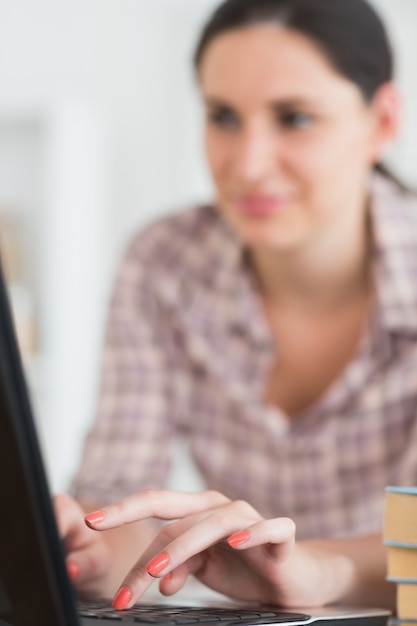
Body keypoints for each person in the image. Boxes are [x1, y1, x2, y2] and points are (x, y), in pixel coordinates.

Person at [55, 0, 417, 614]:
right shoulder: (163, 264)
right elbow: (118, 495)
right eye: (223, 116)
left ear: (381, 121)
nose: (247, 165)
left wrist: (315, 570)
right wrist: (88, 548)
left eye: (295, 118)